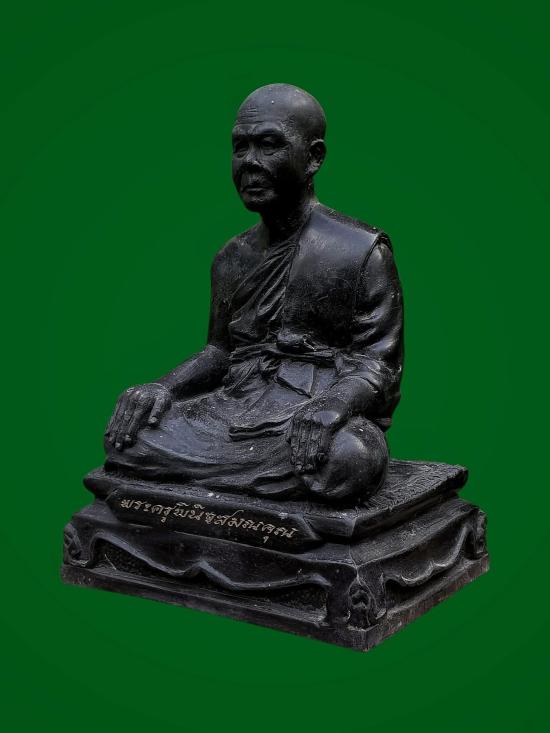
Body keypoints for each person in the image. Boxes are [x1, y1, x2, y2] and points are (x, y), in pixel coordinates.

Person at [104, 83, 403, 502]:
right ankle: (250, 488)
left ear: (314, 157)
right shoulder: (233, 257)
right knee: (129, 438)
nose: (250, 162)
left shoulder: (359, 250)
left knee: (350, 459)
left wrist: (332, 406)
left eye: (269, 145)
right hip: (236, 406)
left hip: (313, 411)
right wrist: (162, 388)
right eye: (240, 147)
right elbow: (220, 352)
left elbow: (378, 366)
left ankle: (224, 483)